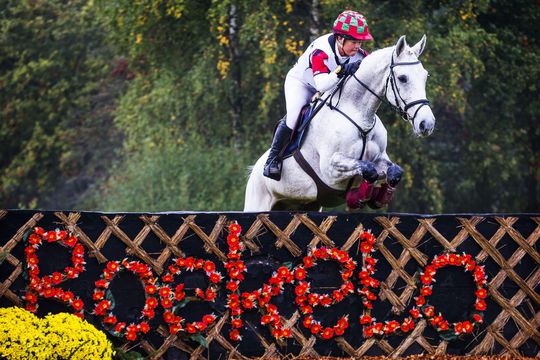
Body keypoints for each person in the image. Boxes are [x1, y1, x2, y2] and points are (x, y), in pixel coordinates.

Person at [263, 10, 374, 181]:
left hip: (330, 87)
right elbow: (321, 85)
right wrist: (343, 70)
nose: (358, 46)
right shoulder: (321, 50)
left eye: (360, 41)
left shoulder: (360, 55)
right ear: (340, 38)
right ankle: (273, 160)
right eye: (353, 41)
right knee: (294, 117)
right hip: (303, 84)